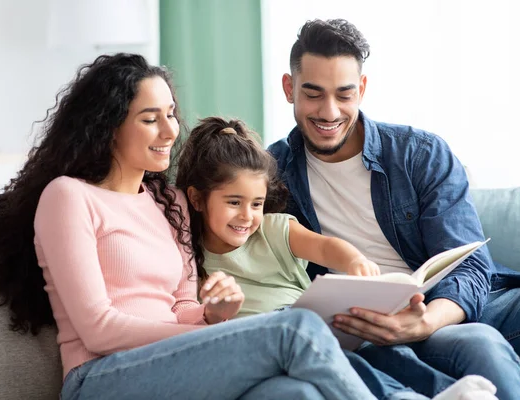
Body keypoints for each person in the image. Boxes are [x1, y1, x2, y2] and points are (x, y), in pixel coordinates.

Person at [0, 53, 392, 400]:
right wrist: (215, 332)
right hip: (101, 377)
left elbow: (182, 306)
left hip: (169, 362)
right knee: (297, 328)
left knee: (290, 392)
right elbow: (99, 329)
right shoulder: (68, 197)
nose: (169, 131)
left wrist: (214, 313)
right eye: (150, 118)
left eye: (171, 114)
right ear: (109, 127)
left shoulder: (171, 203)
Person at [268, 18, 520, 399]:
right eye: (313, 94)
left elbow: (470, 267)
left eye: (344, 94)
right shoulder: (271, 174)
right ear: (289, 88)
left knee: (480, 331)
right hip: (370, 333)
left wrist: (426, 322)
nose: (329, 112)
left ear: (362, 89)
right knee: (479, 344)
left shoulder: (421, 153)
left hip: (453, 308)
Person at [175, 116, 499, 400]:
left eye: (257, 204)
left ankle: (443, 392)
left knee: (376, 356)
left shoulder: (271, 230)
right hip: (263, 344)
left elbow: (326, 247)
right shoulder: (187, 256)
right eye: (234, 202)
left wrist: (354, 260)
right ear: (197, 199)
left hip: (310, 329)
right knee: (339, 357)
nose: (247, 216)